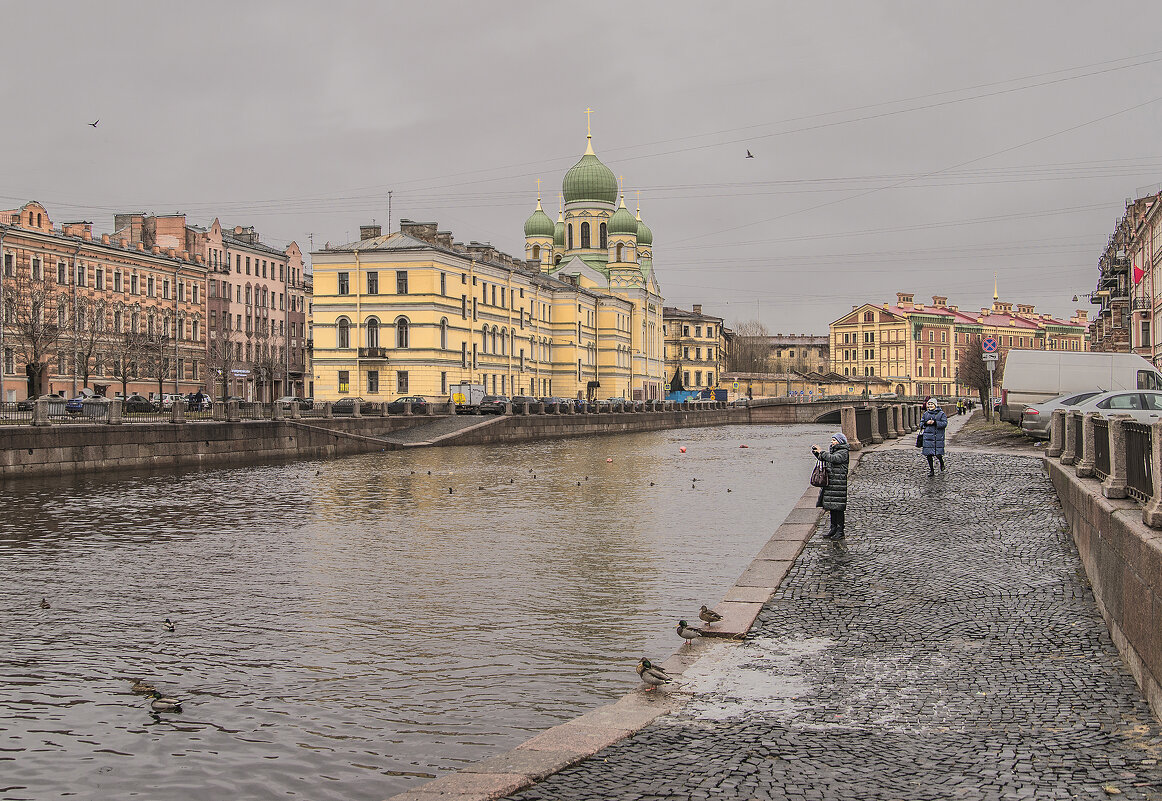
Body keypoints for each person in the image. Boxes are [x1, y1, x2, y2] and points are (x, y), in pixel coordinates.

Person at [812, 432, 849, 540]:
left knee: (838, 509)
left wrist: (821, 452)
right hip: (831, 483)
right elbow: (827, 459)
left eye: (834, 440)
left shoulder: (843, 452)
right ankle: (833, 528)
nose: (832, 442)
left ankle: (840, 530)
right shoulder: (835, 451)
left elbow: (834, 459)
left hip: (838, 484)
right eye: (832, 440)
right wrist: (817, 453)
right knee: (832, 507)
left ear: (840, 441)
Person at [921, 398, 948, 475]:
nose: (930, 406)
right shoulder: (926, 414)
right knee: (928, 455)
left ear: (935, 405)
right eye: (929, 404)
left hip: (937, 437)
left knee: (938, 454)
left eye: (932, 404)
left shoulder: (941, 414)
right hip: (928, 438)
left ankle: (941, 463)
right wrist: (926, 423)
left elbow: (944, 423)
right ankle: (931, 470)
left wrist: (935, 422)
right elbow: (921, 424)